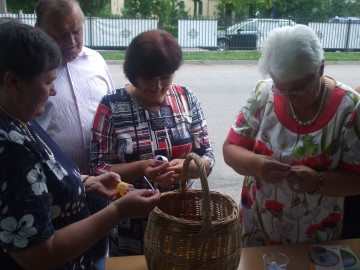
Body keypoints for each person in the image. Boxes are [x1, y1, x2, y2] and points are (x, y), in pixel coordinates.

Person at [0, 21, 160, 269]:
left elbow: (40, 181)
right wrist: (118, 212)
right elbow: (39, 255)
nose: (54, 91)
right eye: (47, 81)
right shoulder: (9, 147)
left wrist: (87, 182)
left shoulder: (17, 116)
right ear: (13, 83)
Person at [223, 24, 360, 247]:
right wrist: (257, 165)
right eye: (281, 87)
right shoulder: (264, 92)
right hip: (258, 228)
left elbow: (356, 180)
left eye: (298, 88)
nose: (288, 97)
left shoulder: (351, 108)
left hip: (315, 236)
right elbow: (230, 149)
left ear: (320, 69)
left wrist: (318, 182)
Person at [90, 29, 215, 256]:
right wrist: (141, 168)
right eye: (149, 78)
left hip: (181, 218)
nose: (158, 87)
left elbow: (207, 156)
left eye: (165, 77)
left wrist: (188, 169)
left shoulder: (186, 99)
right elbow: (97, 168)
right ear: (133, 74)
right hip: (130, 222)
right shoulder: (112, 106)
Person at [34, 0, 115, 268]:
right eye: (60, 34)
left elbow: (113, 114)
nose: (71, 41)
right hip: (52, 192)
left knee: (98, 256)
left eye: (77, 31)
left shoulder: (96, 61)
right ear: (39, 30)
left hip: (100, 185)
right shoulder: (31, 73)